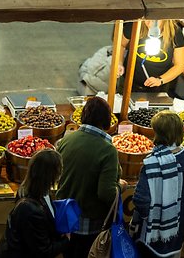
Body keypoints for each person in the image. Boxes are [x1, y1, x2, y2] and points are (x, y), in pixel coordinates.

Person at [56, 96, 127, 258]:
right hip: (88, 225)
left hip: (66, 220)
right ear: (107, 120)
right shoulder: (108, 150)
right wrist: (120, 186)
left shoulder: (66, 140)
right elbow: (106, 193)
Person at [130, 110, 184, 257]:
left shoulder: (152, 162)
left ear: (158, 134)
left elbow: (140, 200)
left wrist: (154, 220)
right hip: (178, 233)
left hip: (152, 239)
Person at [0, 149, 69, 258]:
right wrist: (66, 240)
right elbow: (43, 251)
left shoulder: (37, 190)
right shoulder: (31, 210)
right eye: (59, 169)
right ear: (51, 174)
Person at [118, 20, 184, 94]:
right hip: (129, 83)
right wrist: (119, 63)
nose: (150, 24)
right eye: (148, 19)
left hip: (158, 89)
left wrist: (160, 80)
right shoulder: (134, 26)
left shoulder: (175, 33)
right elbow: (120, 45)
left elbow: (179, 66)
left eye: (154, 21)